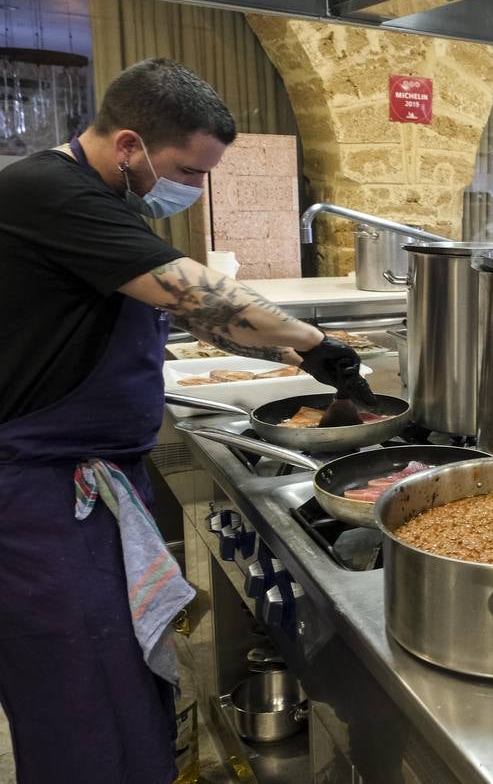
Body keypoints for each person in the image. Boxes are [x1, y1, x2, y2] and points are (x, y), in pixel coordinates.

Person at [0, 58, 374, 783]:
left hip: (85, 487)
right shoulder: (50, 192)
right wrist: (314, 344)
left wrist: (300, 359)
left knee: (118, 676)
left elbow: (189, 315)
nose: (193, 190)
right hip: (40, 500)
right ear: (130, 144)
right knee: (80, 699)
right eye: (187, 170)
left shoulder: (100, 197)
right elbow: (192, 292)